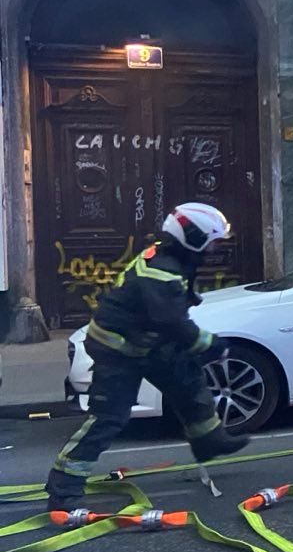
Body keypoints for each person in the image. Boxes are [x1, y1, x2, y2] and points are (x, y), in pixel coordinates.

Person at [46, 204, 247, 509]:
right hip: (117, 351)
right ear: (191, 238)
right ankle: (64, 486)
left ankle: (209, 440)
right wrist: (210, 345)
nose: (214, 249)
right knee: (110, 418)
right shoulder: (161, 270)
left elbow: (169, 312)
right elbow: (173, 322)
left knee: (187, 377)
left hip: (146, 341)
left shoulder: (169, 256)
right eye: (212, 241)